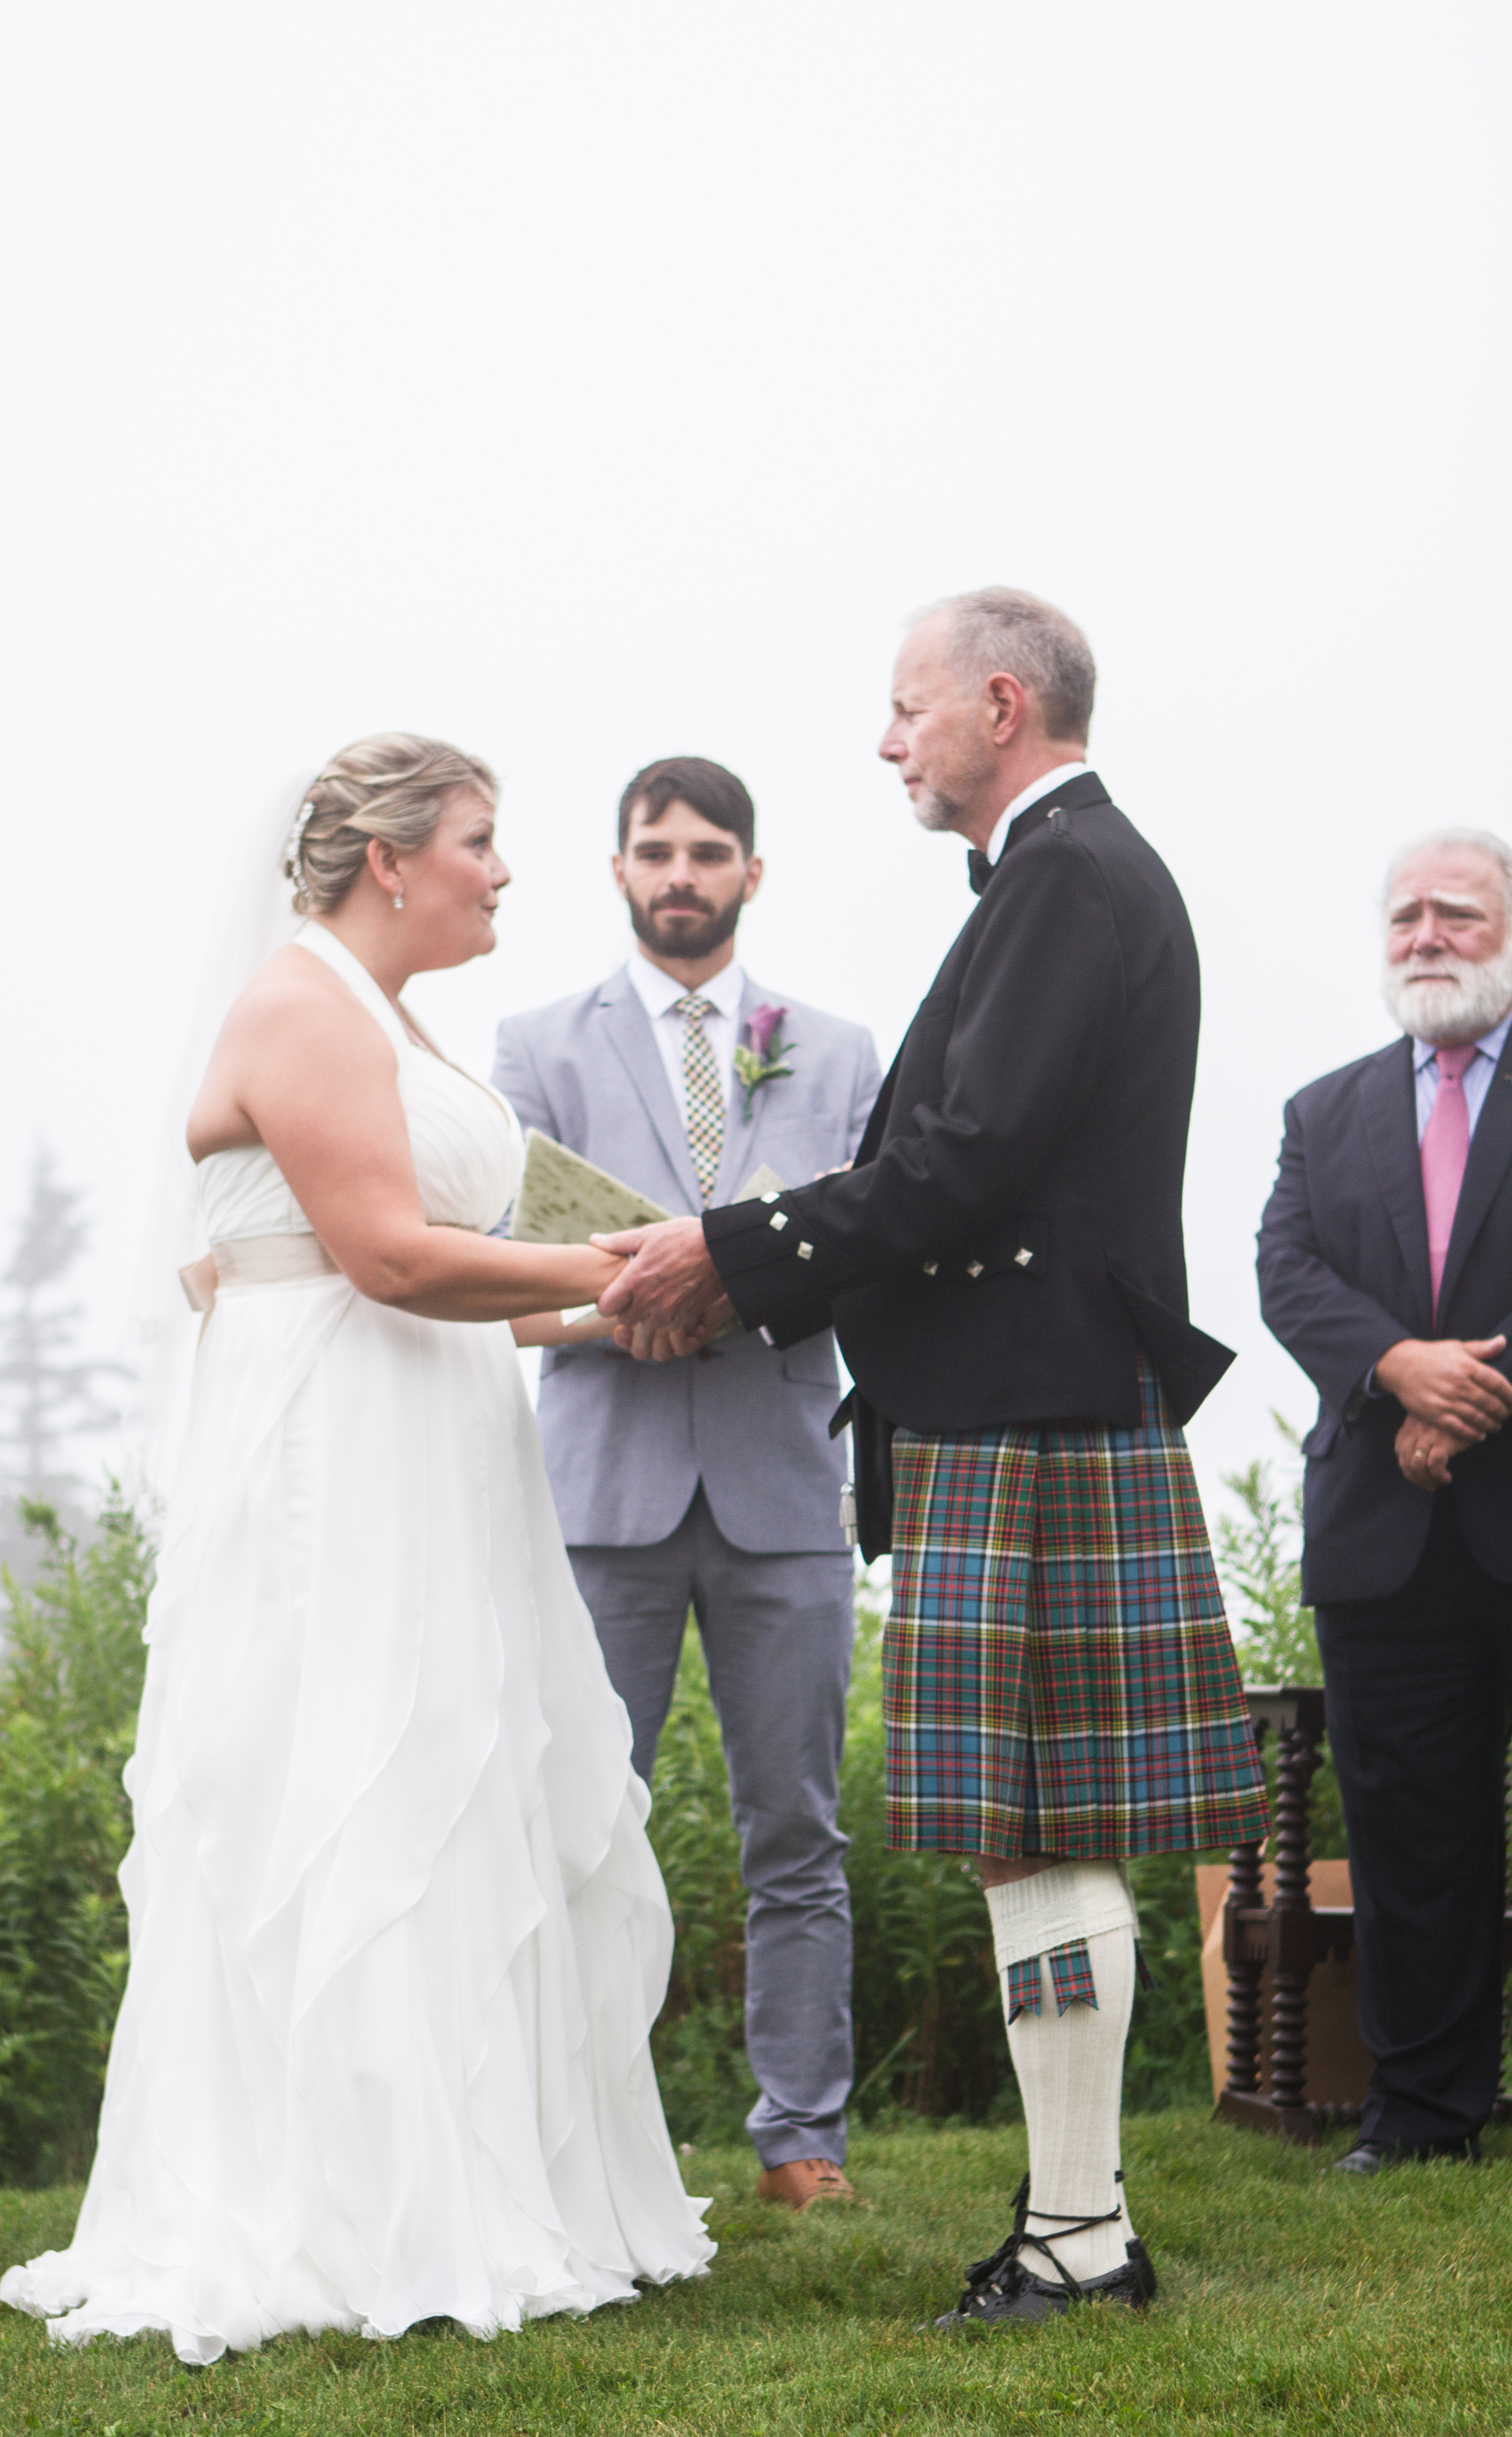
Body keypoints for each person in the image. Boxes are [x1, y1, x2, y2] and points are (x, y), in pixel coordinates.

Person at [596, 591, 1268, 2325]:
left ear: (997, 701)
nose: (887, 743)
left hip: (1029, 1404)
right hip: (1021, 1401)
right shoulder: (1069, 874)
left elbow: (964, 1163)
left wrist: (725, 1245)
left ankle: (1079, 2228)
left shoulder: (1065, 876)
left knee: (1043, 1834)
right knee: (1034, 1837)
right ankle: (1079, 2217)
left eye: (904, 710)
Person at [0, 734, 713, 2362]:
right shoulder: (299, 1006)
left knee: (466, 1765)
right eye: (480, 838)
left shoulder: (389, 1021)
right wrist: (617, 1271)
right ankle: (336, 2199)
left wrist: (617, 1312)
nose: (504, 869)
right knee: (350, 1776)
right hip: (335, 1455)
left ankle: (473, 2172)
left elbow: (428, 1272)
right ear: (389, 859)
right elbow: (386, 1261)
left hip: (432, 1437)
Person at [492, 755, 882, 2209]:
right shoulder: (536, 1047)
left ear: (750, 874)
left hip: (784, 1491)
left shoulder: (834, 1053)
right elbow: (493, 1279)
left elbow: (875, 1253)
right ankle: (572, 2134)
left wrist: (738, 1291)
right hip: (602, 1495)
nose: (679, 873)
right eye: (653, 849)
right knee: (584, 1819)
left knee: (796, 1829)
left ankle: (802, 2139)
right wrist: (630, 1307)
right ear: (616, 872)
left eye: (707, 850)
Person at [1257, 829, 1512, 2172]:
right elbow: (1284, 1273)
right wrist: (1395, 1374)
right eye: (1404, 915)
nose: (1425, 936)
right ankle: (1421, 2114)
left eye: (1456, 914)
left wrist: (1473, 1393)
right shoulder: (1324, 1111)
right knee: (1412, 1838)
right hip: (1380, 1536)